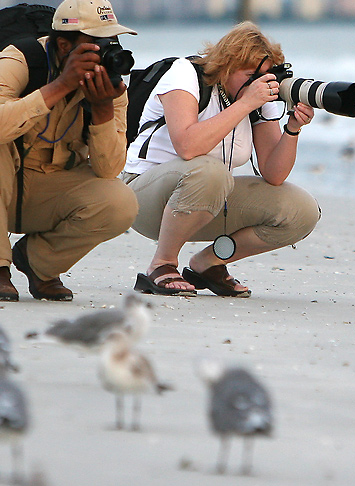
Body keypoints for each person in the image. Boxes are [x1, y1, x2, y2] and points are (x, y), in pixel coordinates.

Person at [0, 0, 139, 302]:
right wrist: (60, 86)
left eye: (111, 43)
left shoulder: (110, 89)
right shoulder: (18, 60)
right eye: (96, 44)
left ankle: (38, 264)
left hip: (45, 193)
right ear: (63, 45)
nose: (106, 53)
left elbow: (109, 170)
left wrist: (102, 112)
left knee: (121, 202)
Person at [122, 21, 320, 297]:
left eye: (263, 75)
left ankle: (209, 264)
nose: (258, 83)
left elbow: (274, 174)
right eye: (250, 74)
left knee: (300, 210)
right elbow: (188, 147)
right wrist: (246, 103)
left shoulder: (257, 97)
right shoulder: (185, 74)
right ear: (226, 66)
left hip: (204, 198)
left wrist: (292, 128)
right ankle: (163, 263)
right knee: (210, 172)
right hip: (142, 198)